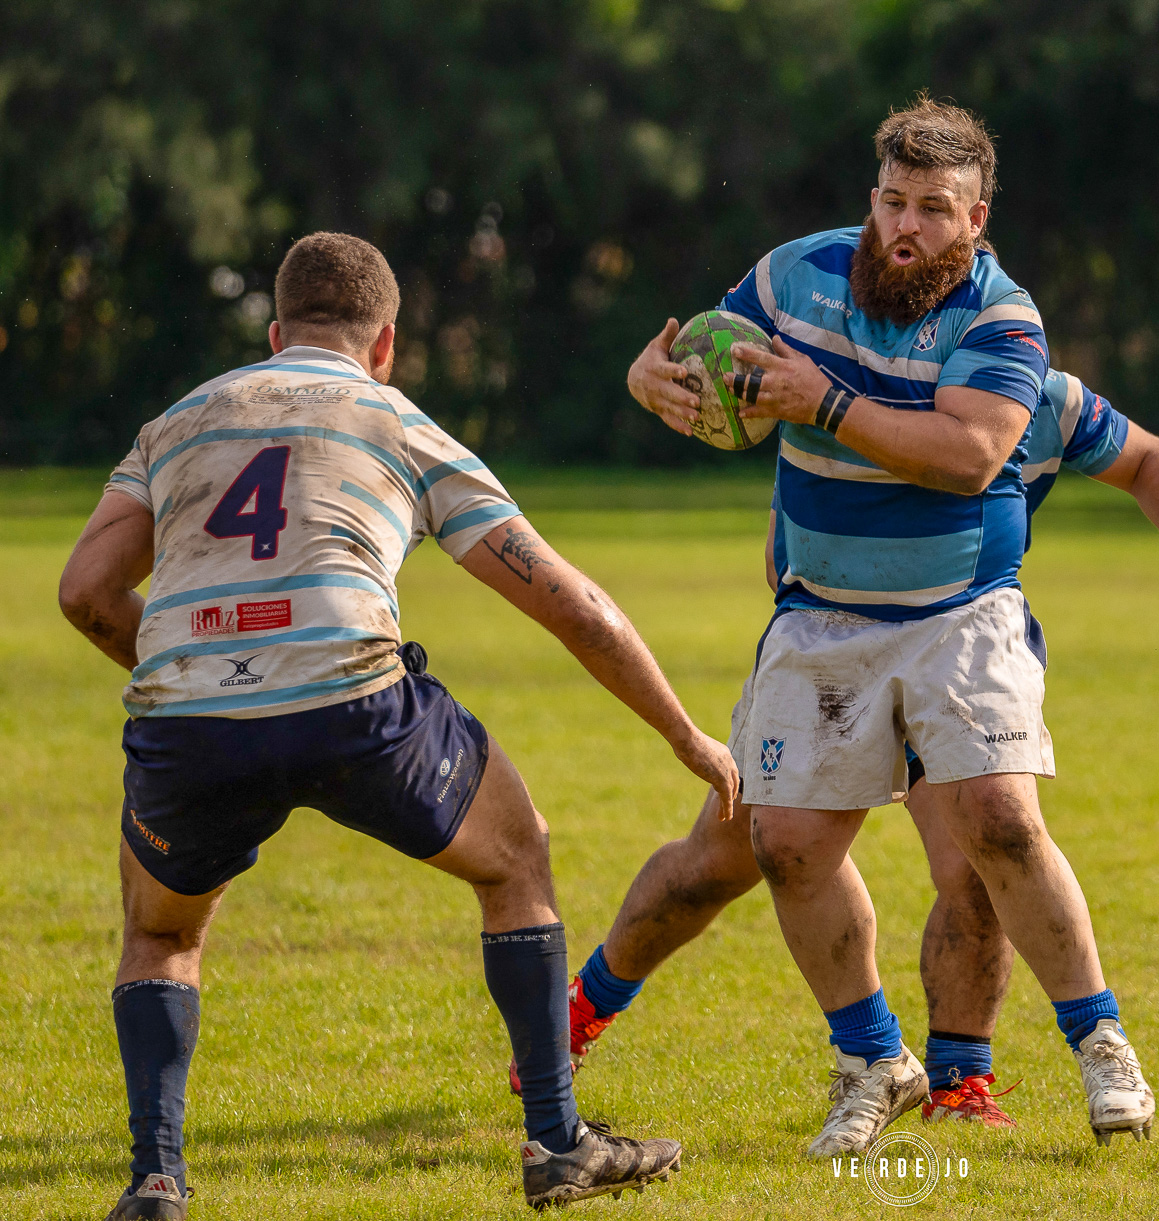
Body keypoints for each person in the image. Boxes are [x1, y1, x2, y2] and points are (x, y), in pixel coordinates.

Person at [58, 232, 737, 1218]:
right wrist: (686, 738)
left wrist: (198, 670)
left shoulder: (180, 422)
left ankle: (156, 1180)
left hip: (186, 717)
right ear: (385, 346)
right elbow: (575, 608)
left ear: (276, 332)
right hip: (353, 699)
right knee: (517, 860)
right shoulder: (399, 420)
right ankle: (556, 1144)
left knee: (161, 935)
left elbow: (85, 592)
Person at [629, 95, 1159, 1156]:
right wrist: (653, 379)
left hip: (960, 614)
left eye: (934, 211)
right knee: (789, 847)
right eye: (893, 202)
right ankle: (874, 1064)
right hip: (819, 617)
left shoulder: (1005, 325)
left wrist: (820, 404)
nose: (906, 227)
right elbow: (704, 361)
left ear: (976, 219)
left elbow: (967, 459)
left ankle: (1100, 1046)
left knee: (996, 819)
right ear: (872, 198)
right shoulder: (792, 277)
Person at [522, 368, 1159, 1134]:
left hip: (957, 647)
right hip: (831, 650)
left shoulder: (1030, 389)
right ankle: (584, 1010)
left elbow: (1149, 457)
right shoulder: (836, 372)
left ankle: (959, 1078)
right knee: (723, 857)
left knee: (981, 852)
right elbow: (772, 536)